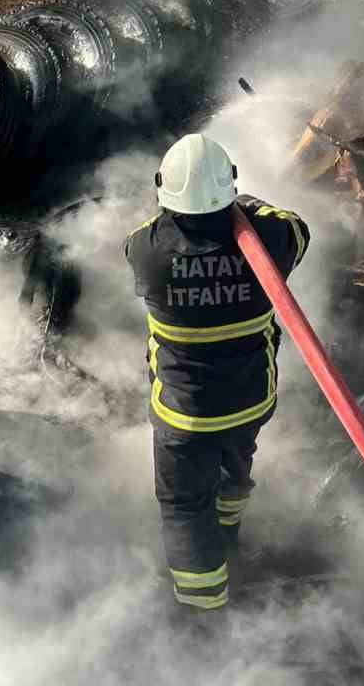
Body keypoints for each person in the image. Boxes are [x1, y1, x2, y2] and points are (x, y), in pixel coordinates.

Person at [124, 133, 309, 616]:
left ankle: (205, 610)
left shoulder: (148, 250)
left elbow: (138, 237)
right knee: (234, 469)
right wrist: (245, 205)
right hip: (249, 401)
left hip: (183, 415)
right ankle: (230, 536)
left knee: (185, 508)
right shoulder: (270, 241)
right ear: (229, 187)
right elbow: (297, 226)